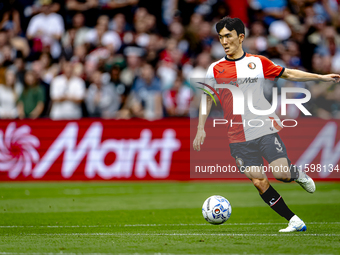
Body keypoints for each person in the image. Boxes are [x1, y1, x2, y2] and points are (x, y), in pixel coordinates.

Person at [193, 17, 340, 232]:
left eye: (228, 36)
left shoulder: (257, 63)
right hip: (237, 137)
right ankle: (293, 220)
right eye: (221, 37)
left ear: (240, 37)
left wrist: (321, 77)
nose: (224, 41)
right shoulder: (214, 69)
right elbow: (206, 98)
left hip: (263, 128)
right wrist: (200, 128)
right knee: (259, 182)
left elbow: (288, 73)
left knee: (281, 173)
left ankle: (296, 174)